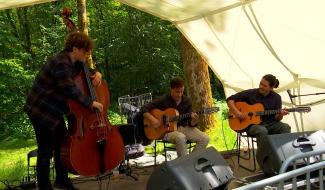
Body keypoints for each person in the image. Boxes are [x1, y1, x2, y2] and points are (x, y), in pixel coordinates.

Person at [24, 32, 103, 190]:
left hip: (54, 111)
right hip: (41, 110)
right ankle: (45, 187)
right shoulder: (61, 63)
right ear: (75, 49)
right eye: (85, 51)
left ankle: (61, 179)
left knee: (62, 144)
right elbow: (69, 89)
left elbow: (87, 71)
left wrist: (97, 73)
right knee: (46, 150)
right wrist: (90, 103)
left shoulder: (73, 61)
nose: (88, 54)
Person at [141, 77, 209, 157]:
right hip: (167, 131)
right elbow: (143, 109)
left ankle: (190, 161)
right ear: (171, 89)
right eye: (177, 92)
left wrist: (194, 121)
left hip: (183, 127)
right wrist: (152, 119)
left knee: (205, 138)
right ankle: (183, 166)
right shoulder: (163, 100)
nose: (179, 94)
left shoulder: (187, 101)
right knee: (180, 137)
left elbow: (190, 123)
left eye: (181, 91)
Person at [226, 74, 291, 149]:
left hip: (270, 124)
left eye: (264, 86)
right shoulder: (251, 93)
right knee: (262, 130)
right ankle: (263, 157)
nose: (261, 87)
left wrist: (281, 114)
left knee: (285, 127)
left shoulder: (277, 98)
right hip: (253, 126)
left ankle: (281, 152)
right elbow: (230, 100)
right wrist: (238, 113)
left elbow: (277, 119)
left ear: (271, 88)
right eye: (260, 84)